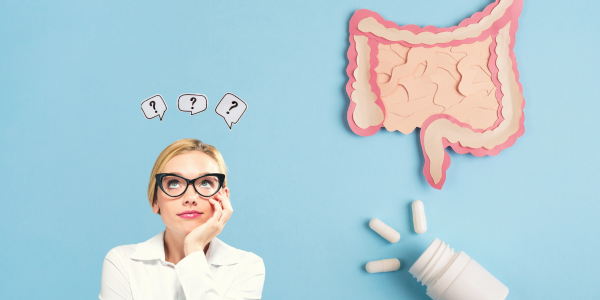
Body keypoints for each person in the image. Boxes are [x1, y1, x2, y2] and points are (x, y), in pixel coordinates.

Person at [99, 139, 265, 299]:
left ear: (224, 198)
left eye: (205, 183)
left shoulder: (247, 267)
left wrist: (193, 248)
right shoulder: (122, 262)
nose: (190, 197)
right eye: (173, 183)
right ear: (155, 201)